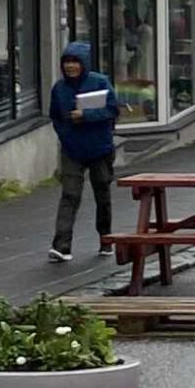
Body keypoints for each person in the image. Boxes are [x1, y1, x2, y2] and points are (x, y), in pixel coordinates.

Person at [49, 39, 123, 262]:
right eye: (67, 62)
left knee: (102, 194)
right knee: (69, 195)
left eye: (75, 62)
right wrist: (65, 134)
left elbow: (112, 109)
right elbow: (55, 116)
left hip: (99, 148)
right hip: (72, 149)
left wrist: (86, 116)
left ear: (84, 63)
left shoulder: (100, 82)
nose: (70, 66)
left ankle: (106, 238)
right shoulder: (59, 89)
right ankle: (61, 246)